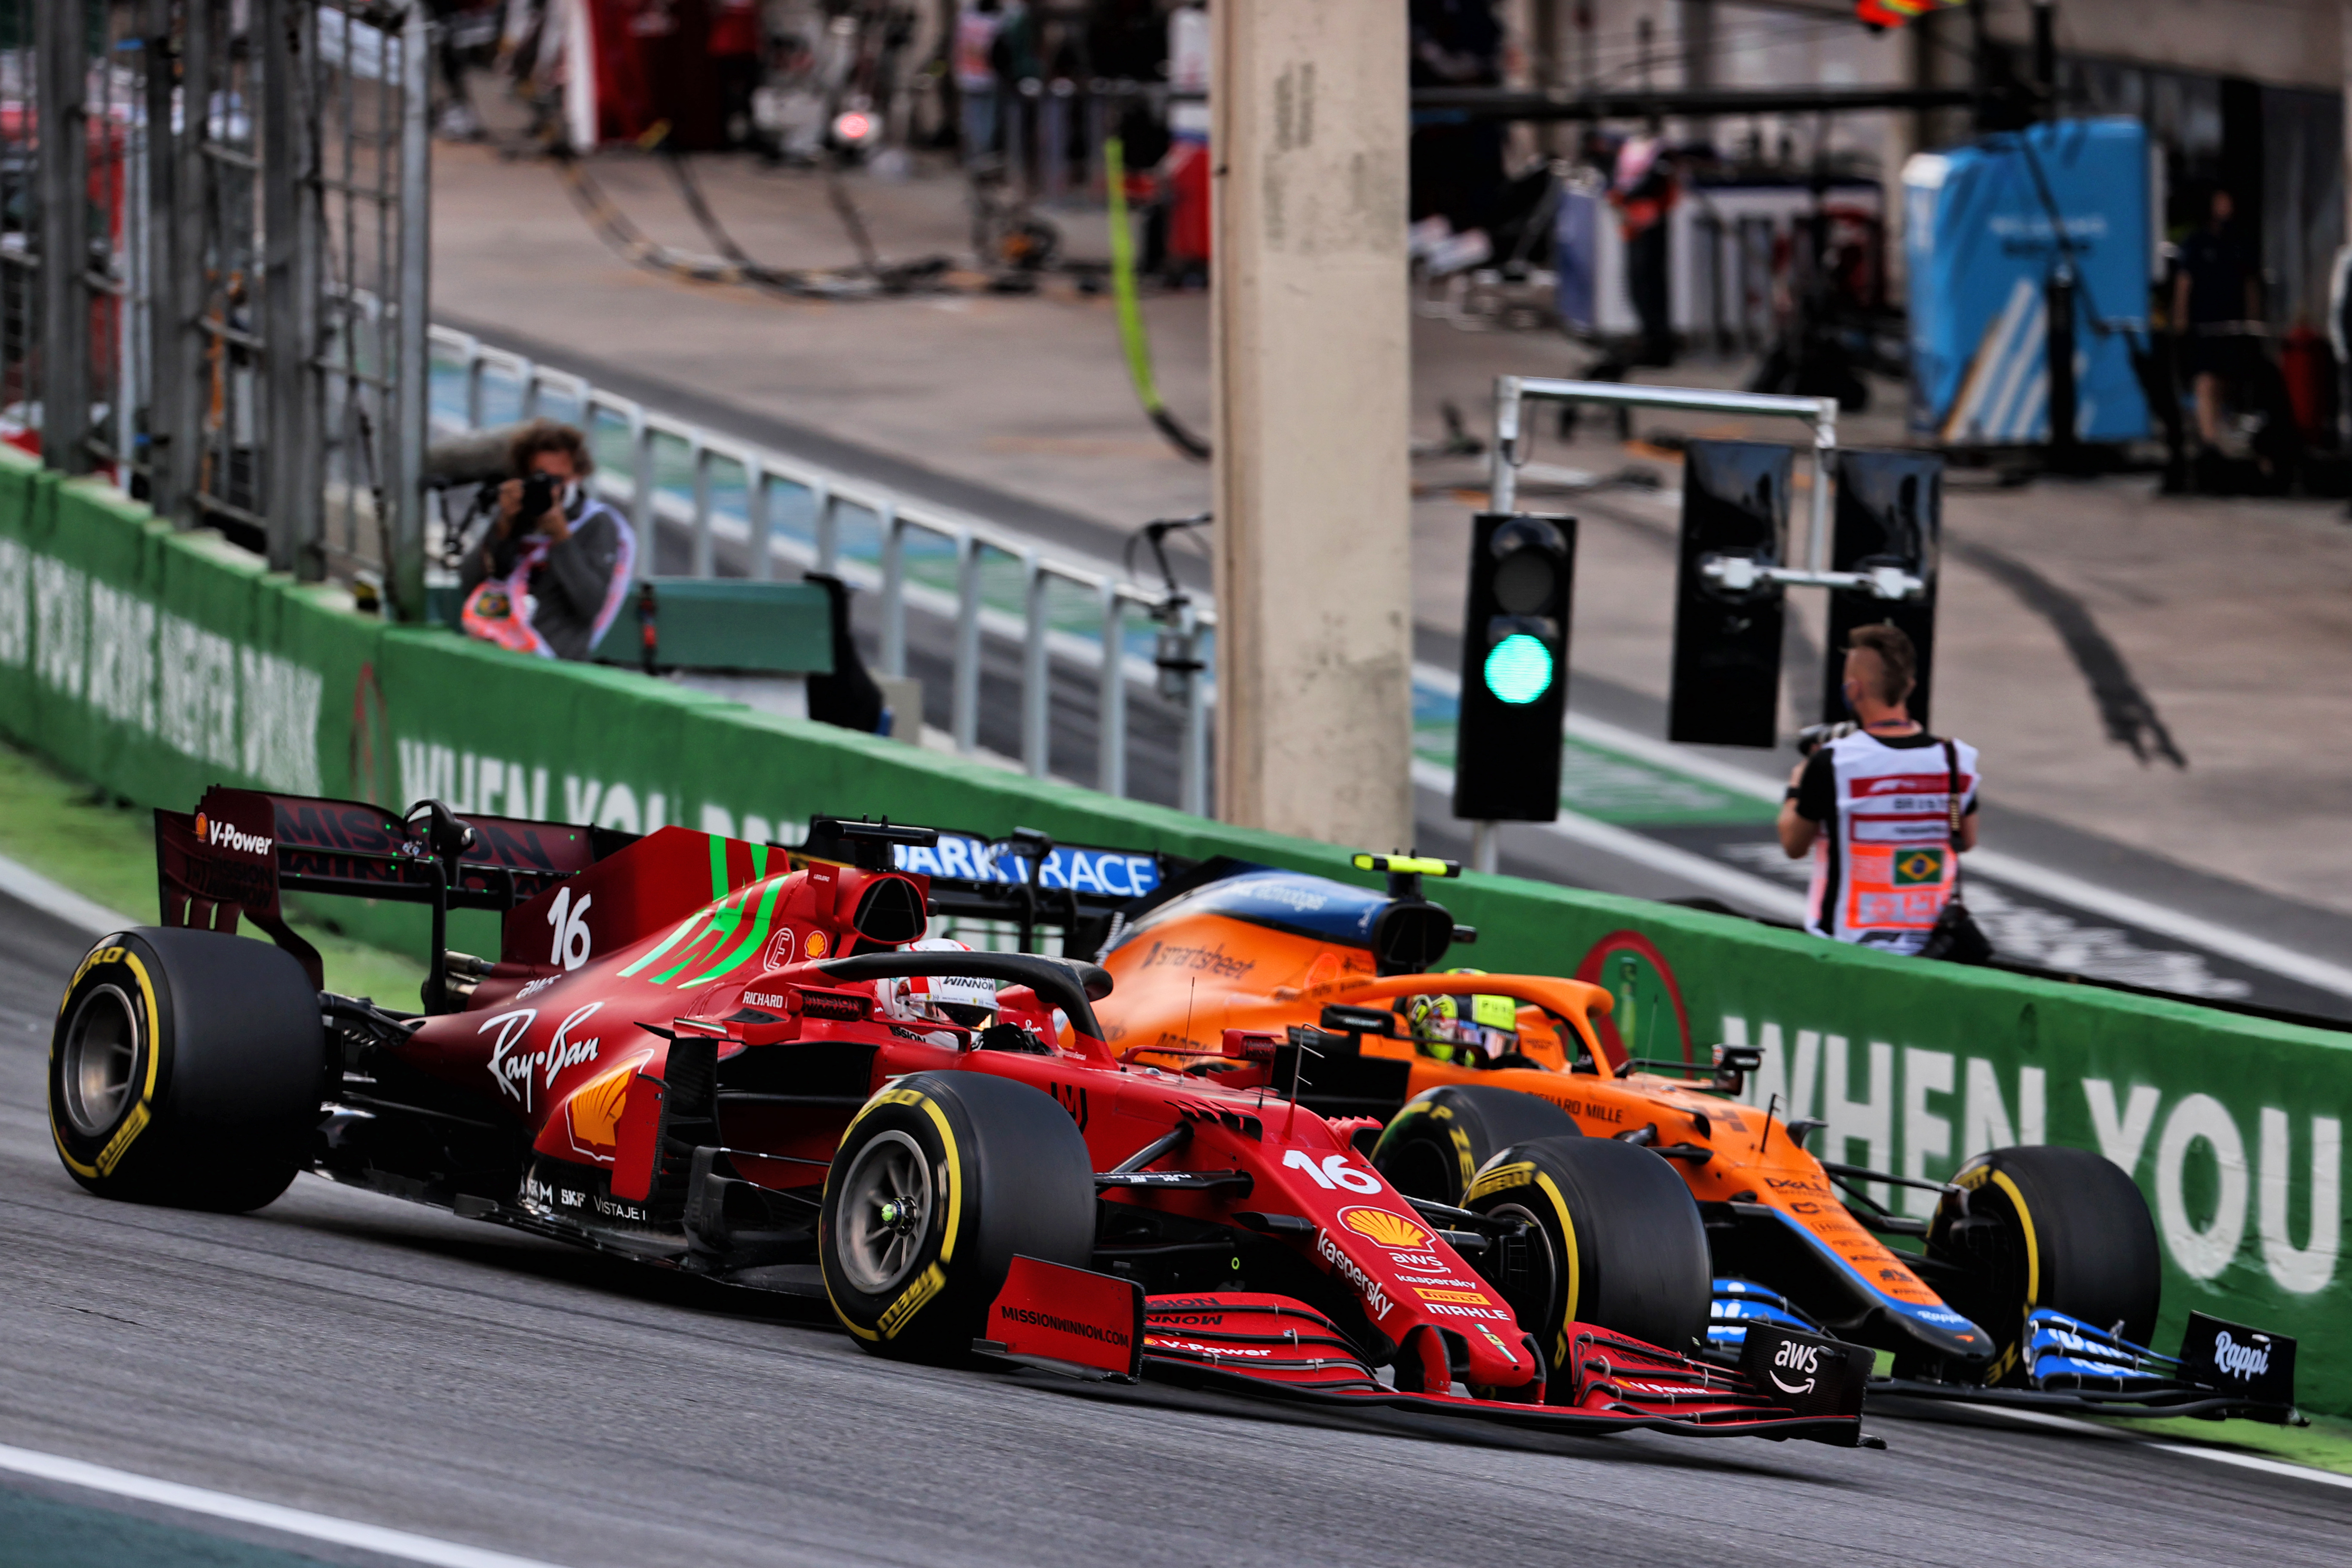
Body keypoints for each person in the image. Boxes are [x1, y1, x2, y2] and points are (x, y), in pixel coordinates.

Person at [1778, 625, 1979, 956]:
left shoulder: (1835, 762)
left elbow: (1793, 845)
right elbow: (1966, 840)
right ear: (1909, 686)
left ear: (1853, 690)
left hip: (1848, 944)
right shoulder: (1956, 758)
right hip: (1931, 943)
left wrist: (1797, 786)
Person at [459, 420, 636, 661]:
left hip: (555, 660)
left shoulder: (597, 524)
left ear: (578, 475)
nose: (551, 491)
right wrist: (503, 528)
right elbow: (470, 585)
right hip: (500, 654)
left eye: (558, 481)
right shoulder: (517, 514)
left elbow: (591, 605)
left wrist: (561, 537)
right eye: (540, 479)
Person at [2174, 186, 2260, 450]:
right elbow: (2184, 282)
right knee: (2205, 380)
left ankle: (2218, 436)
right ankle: (2209, 441)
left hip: (2231, 325)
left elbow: (2250, 283)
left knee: (2225, 382)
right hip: (2204, 325)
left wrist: (2252, 319)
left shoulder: (2238, 243)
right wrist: (2181, 317)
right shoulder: (2197, 243)